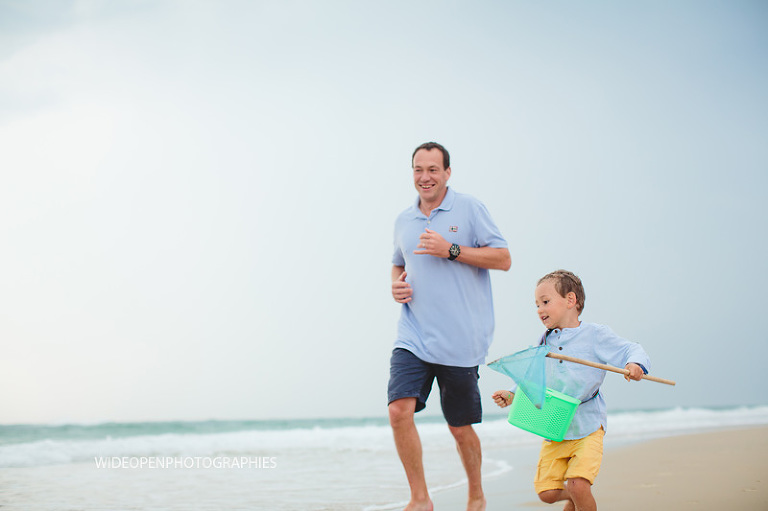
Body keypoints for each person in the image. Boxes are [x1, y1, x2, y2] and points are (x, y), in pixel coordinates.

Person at [389, 141, 511, 511]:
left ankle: (476, 493)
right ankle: (420, 499)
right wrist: (396, 284)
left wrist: (451, 250)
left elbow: (503, 258)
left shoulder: (470, 209)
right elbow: (399, 262)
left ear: (447, 173)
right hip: (413, 334)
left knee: (459, 428)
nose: (425, 177)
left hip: (461, 340)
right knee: (398, 411)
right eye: (418, 170)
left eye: (432, 170)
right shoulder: (403, 220)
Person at [492, 270, 650, 511]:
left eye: (545, 302)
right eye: (536, 305)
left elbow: (632, 349)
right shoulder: (544, 340)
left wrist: (635, 364)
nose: (539, 309)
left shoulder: (595, 335)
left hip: (587, 425)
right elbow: (532, 373)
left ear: (570, 300)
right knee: (547, 493)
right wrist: (512, 394)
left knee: (578, 485)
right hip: (554, 425)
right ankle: (575, 498)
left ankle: (579, 494)